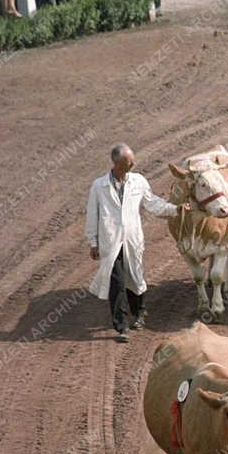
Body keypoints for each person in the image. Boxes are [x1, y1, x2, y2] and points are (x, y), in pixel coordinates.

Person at [85, 144, 183, 343]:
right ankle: (121, 326)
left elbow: (152, 203)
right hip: (110, 242)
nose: (134, 164)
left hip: (132, 239)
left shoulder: (138, 182)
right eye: (130, 161)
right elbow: (92, 215)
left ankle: (139, 312)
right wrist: (93, 242)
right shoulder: (99, 186)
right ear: (119, 164)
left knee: (135, 278)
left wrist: (176, 209)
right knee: (117, 283)